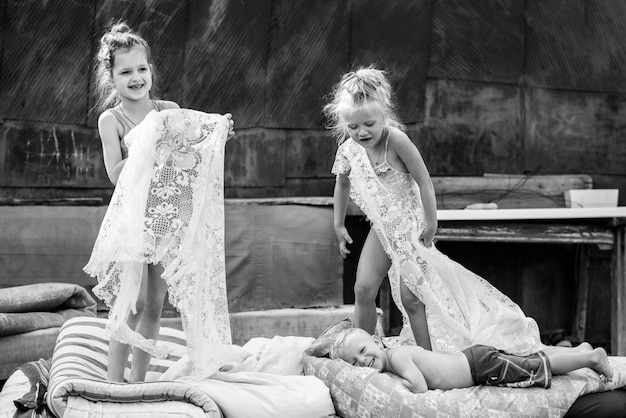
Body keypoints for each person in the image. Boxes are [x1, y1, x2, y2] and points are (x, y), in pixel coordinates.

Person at [324, 66, 545, 355]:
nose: (361, 133)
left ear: (383, 116)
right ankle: (362, 348)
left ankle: (428, 358)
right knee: (363, 288)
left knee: (411, 297)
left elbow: (423, 180)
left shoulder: (397, 140)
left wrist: (431, 222)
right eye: (353, 128)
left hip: (411, 227)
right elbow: (342, 183)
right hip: (384, 228)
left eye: (369, 124)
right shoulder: (349, 150)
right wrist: (338, 225)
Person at [85, 21, 235, 382]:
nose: (135, 78)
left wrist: (215, 135)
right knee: (129, 303)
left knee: (154, 304)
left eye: (141, 69)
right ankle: (113, 380)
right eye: (125, 72)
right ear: (112, 78)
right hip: (133, 221)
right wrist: (148, 141)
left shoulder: (167, 109)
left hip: (165, 218)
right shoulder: (113, 119)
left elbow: (185, 160)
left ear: (150, 70)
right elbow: (116, 174)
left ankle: (138, 381)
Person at [331, 327, 614, 394]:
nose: (362, 361)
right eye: (354, 363)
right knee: (526, 359)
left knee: (534, 368)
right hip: (475, 359)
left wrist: (387, 382)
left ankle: (591, 357)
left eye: (363, 351)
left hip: (480, 367)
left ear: (378, 341)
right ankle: (579, 352)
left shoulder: (399, 356)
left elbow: (418, 387)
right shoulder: (395, 356)